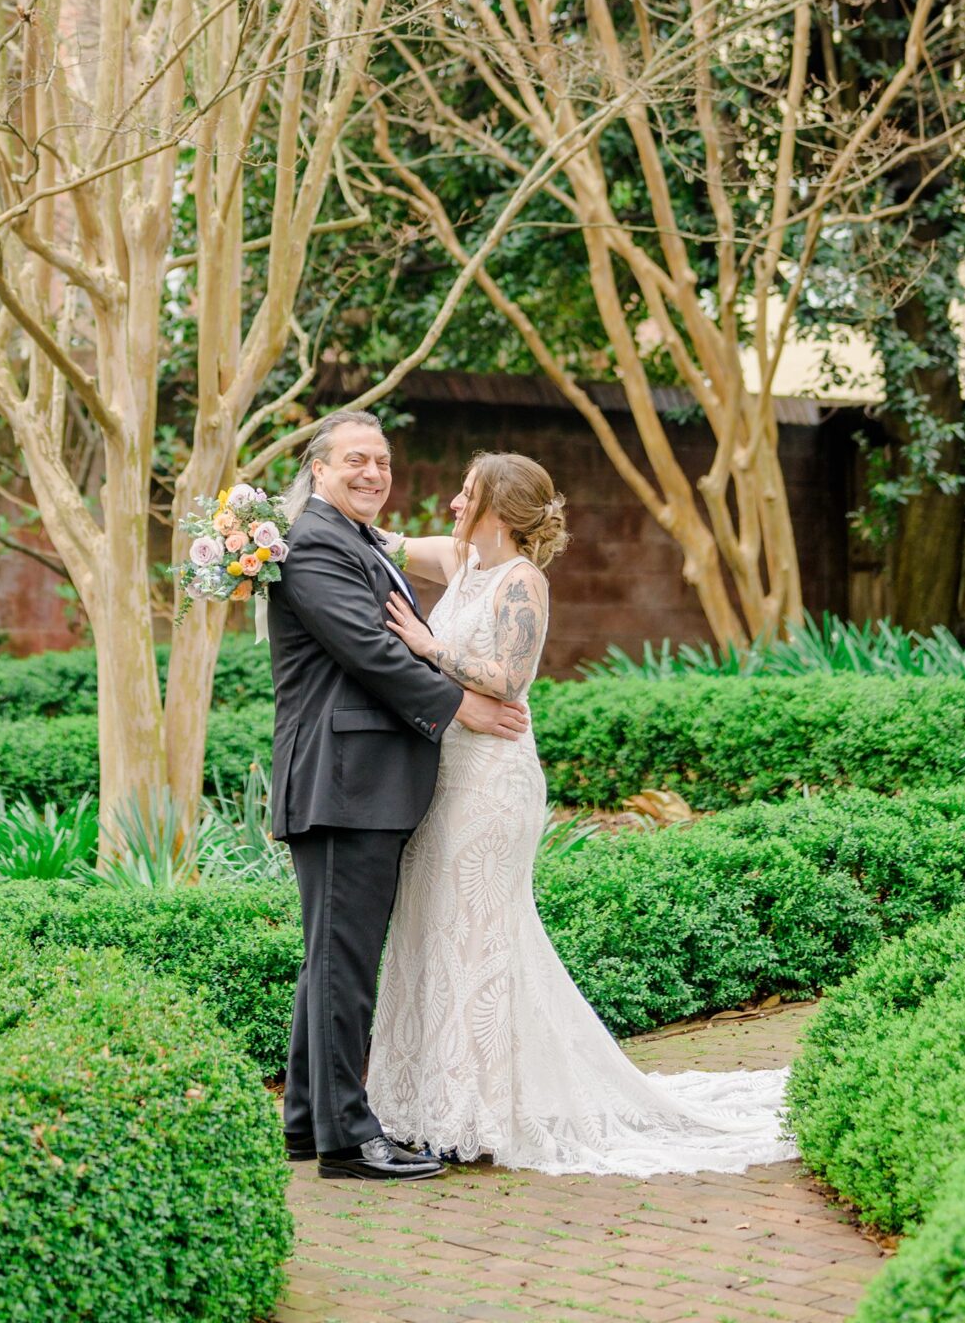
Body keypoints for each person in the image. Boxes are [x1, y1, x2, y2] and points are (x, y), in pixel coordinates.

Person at [368, 449, 796, 1176]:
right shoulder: (459, 560)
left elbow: (508, 680)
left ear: (498, 510)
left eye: (465, 492)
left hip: (492, 784)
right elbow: (372, 540)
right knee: (436, 927)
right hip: (444, 778)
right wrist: (254, 531)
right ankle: (429, 1100)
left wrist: (425, 645)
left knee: (478, 934)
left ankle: (478, 1114)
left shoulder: (520, 582)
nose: (449, 502)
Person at [268, 411, 531, 1179]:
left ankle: (309, 1121)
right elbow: (370, 650)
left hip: (362, 783)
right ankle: (348, 1140)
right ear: (317, 469)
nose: (372, 473)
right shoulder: (313, 543)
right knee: (342, 961)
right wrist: (462, 706)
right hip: (343, 782)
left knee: (332, 958)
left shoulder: (352, 540)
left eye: (381, 461)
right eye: (355, 459)